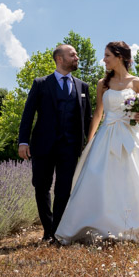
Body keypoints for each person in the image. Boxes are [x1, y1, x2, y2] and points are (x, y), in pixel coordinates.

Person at [55, 41, 139, 246]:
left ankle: (133, 226)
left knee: (132, 179)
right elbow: (98, 113)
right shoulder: (103, 83)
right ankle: (100, 224)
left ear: (119, 56)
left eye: (107, 56)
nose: (103, 59)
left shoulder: (137, 82)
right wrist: (89, 141)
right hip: (107, 135)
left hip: (131, 136)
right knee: (101, 179)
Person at [18, 44, 93, 245]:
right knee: (41, 186)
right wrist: (23, 141)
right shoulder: (41, 84)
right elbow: (28, 114)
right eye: (73, 55)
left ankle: (57, 232)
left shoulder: (82, 87)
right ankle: (48, 229)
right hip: (43, 145)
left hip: (70, 147)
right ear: (59, 59)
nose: (77, 57)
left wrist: (92, 144)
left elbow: (87, 119)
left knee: (64, 189)